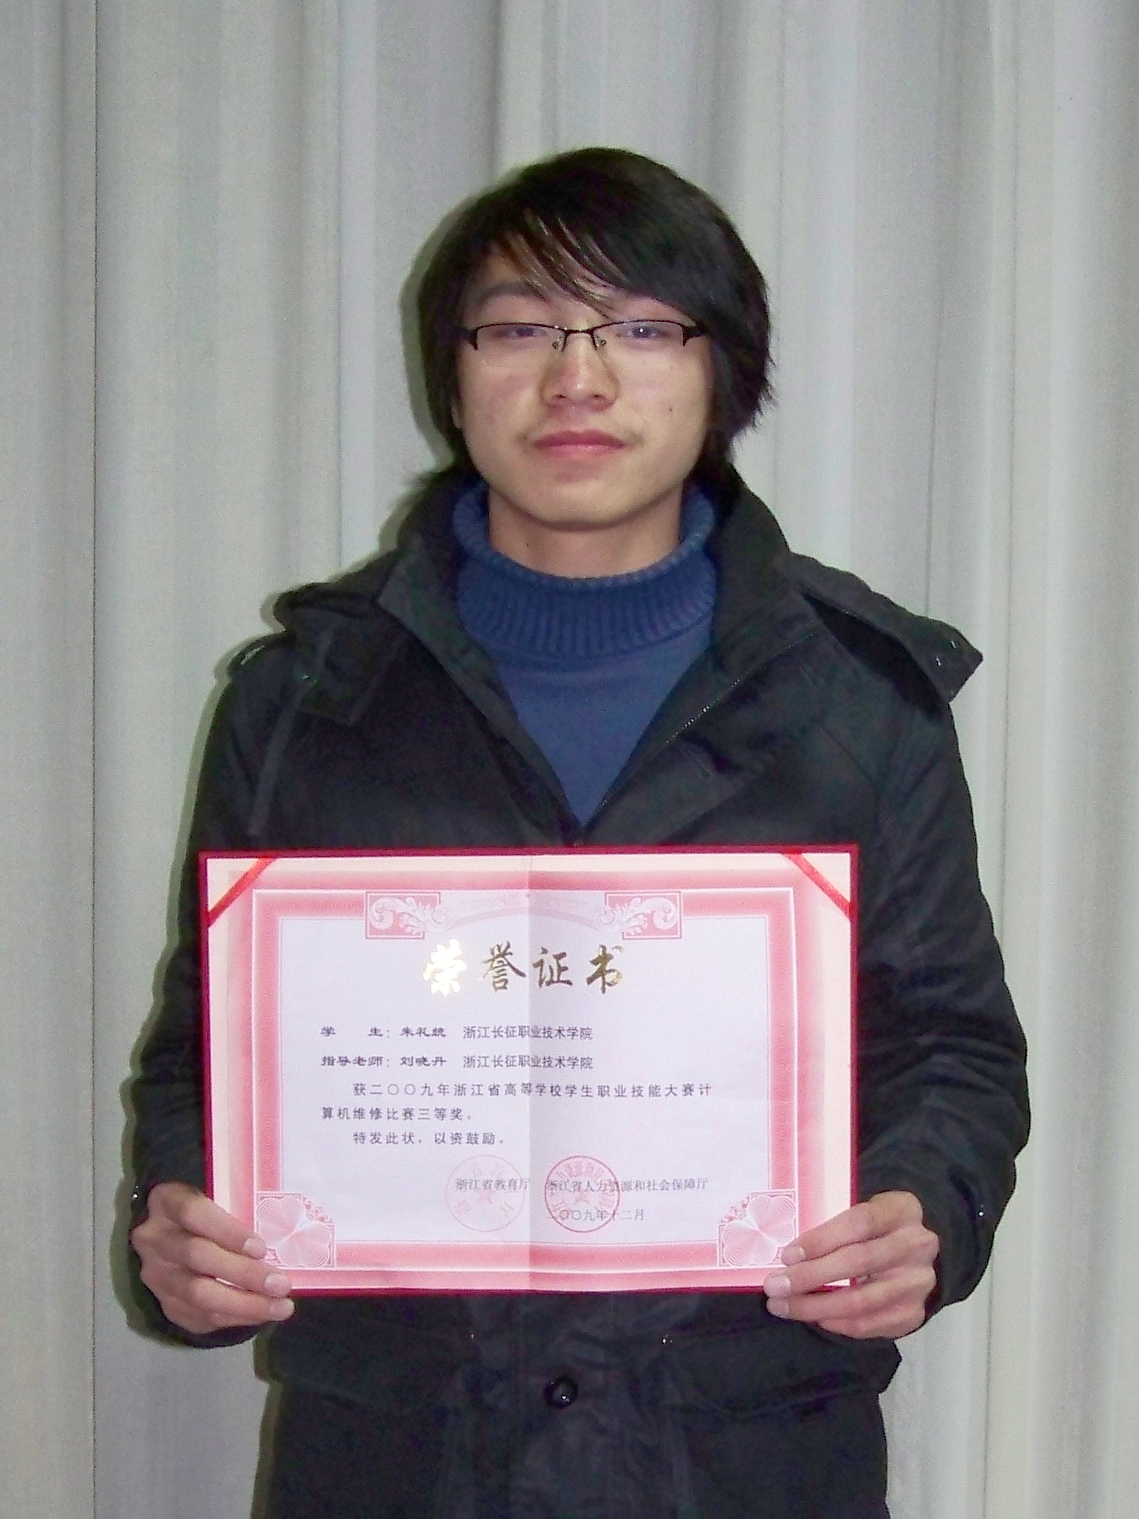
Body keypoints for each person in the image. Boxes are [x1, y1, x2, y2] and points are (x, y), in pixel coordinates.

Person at [129, 147, 1029, 1518]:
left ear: (723, 372)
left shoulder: (858, 699)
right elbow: (207, 1051)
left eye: (642, 329)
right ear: (452, 372)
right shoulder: (309, 697)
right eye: (519, 329)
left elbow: (953, 1047)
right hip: (400, 1462)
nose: (578, 379)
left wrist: (924, 1209)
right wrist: (192, 1220)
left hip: (738, 1455)